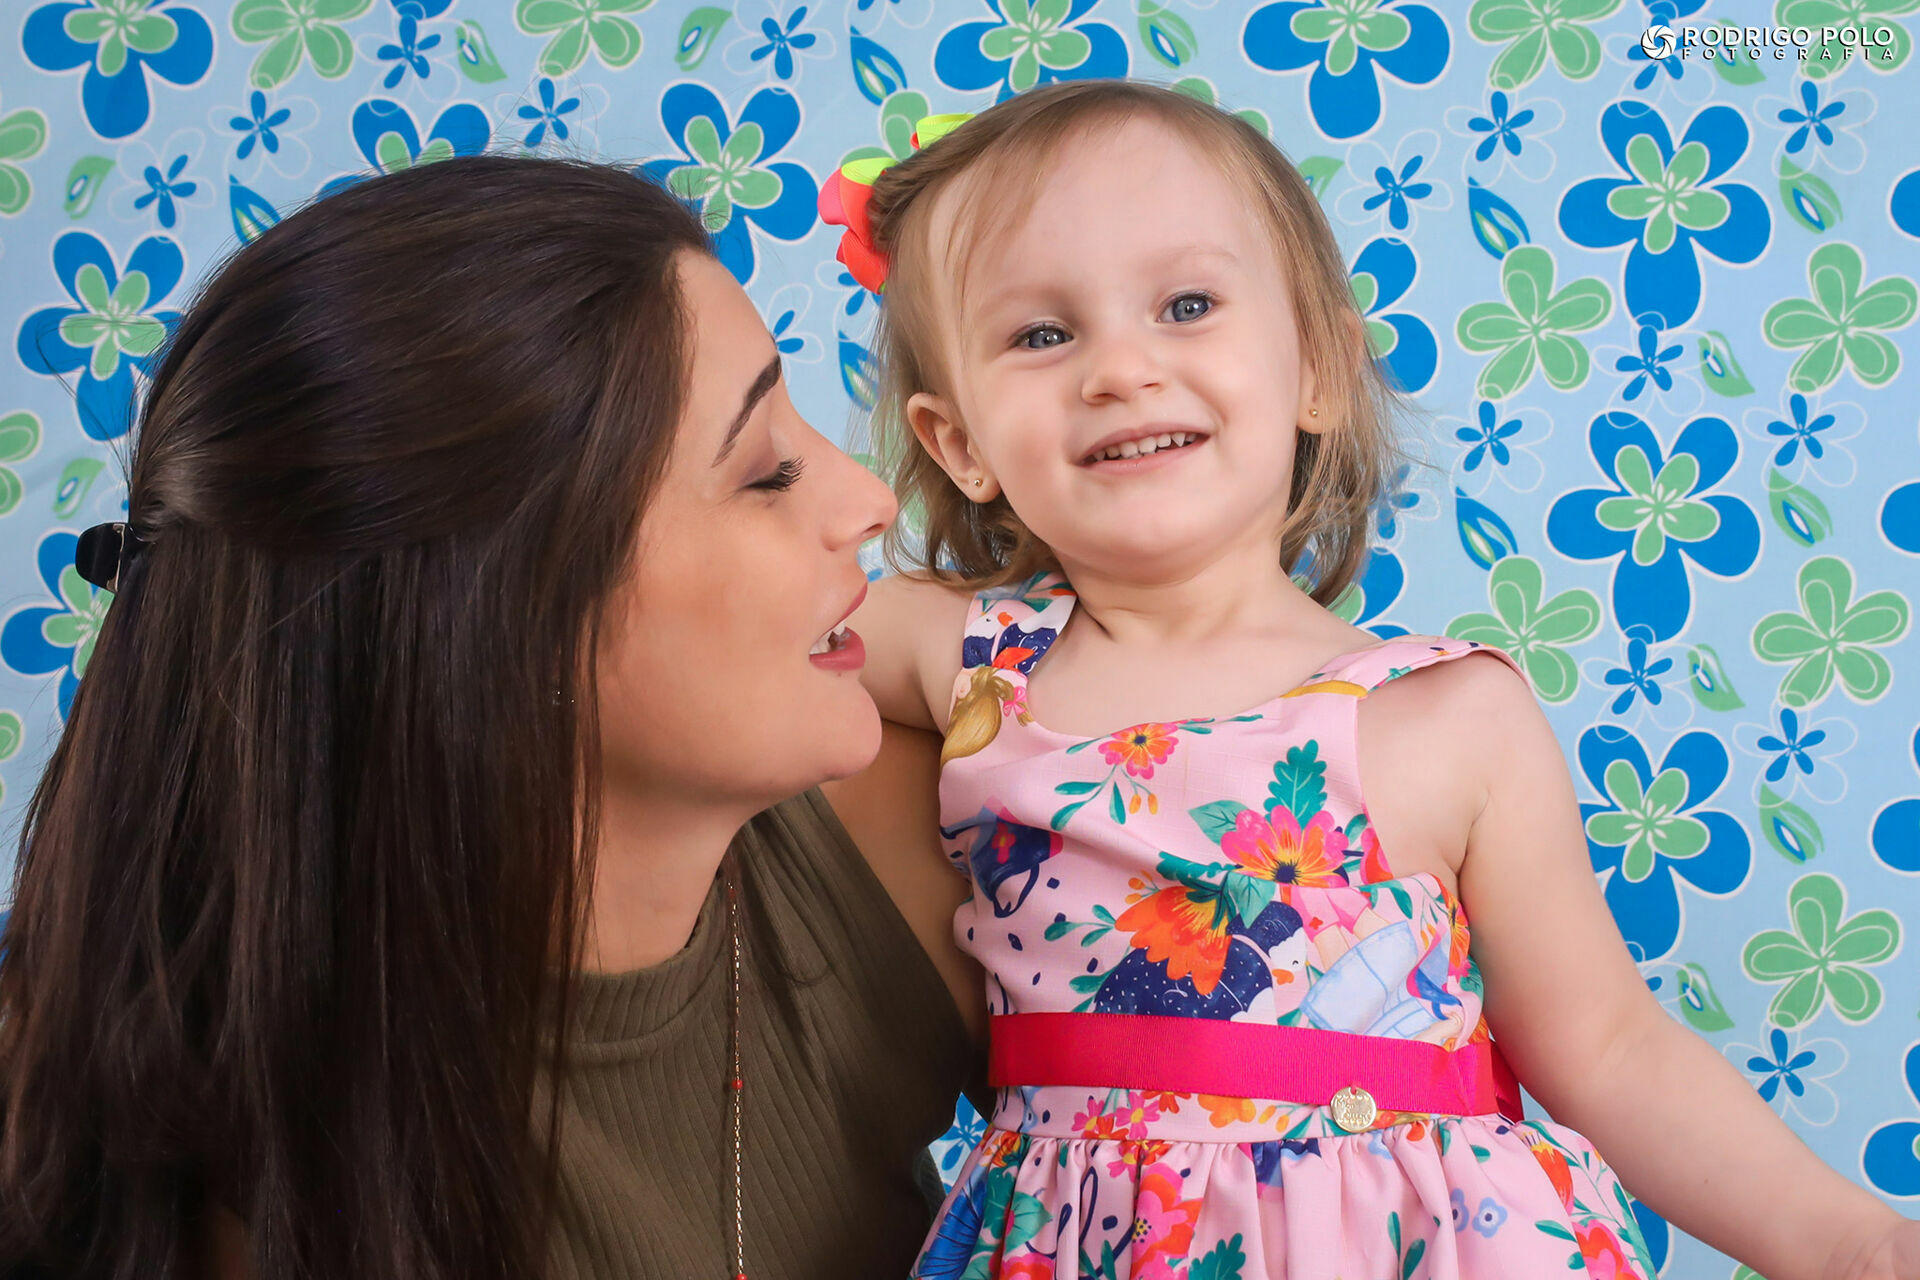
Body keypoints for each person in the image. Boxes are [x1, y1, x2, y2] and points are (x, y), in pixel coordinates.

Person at [825, 80, 1920, 1279]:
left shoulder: (1445, 715)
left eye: (1187, 304)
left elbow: (1606, 1045)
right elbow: (706, 634)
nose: (1121, 368)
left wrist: (1855, 1245)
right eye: (1043, 334)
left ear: (1318, 372)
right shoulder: (968, 657)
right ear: (960, 443)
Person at [0, 154, 984, 1280]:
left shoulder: (954, 839)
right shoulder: (242, 1175)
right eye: (765, 471)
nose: (867, 499)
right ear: (506, 626)